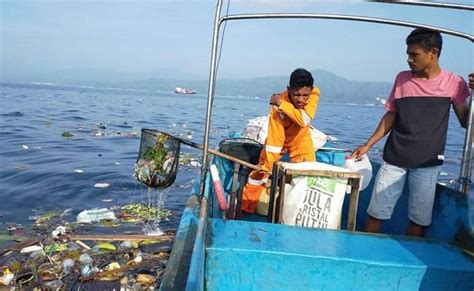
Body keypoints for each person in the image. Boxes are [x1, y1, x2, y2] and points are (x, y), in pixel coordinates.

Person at [352, 28, 470, 237]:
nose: (409, 60)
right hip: (394, 158)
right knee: (376, 212)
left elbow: (466, 123)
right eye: (408, 54)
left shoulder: (454, 82)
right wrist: (368, 145)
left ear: (433, 53)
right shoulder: (402, 79)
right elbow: (391, 115)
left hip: (428, 163)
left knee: (419, 218)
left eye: (414, 54)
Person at [241, 68, 321, 214]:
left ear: (311, 90)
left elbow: (304, 120)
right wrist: (268, 164)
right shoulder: (277, 108)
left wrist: (282, 104)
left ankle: (301, 212)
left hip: (301, 139)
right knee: (260, 172)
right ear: (289, 89)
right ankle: (246, 205)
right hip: (280, 141)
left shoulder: (314, 94)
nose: (301, 100)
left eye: (305, 95)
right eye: (296, 95)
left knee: (309, 175)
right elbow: (275, 139)